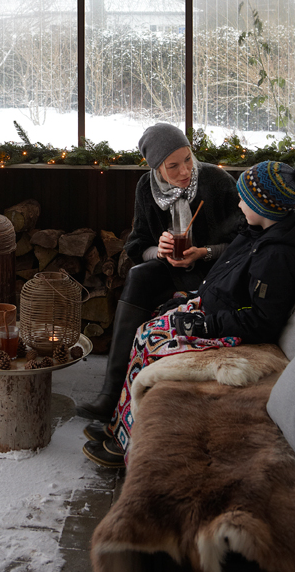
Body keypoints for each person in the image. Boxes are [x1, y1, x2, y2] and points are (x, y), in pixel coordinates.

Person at [83, 160, 295, 469]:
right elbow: (224, 279)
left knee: (152, 341)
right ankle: (124, 426)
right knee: (146, 331)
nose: (238, 203)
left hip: (231, 330)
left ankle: (130, 445)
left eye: (244, 198)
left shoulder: (278, 255)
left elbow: (261, 321)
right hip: (212, 310)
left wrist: (203, 323)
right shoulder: (255, 232)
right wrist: (192, 298)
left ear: (262, 205)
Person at [76, 122, 242, 428]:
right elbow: (137, 244)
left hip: (213, 269)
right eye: (173, 166)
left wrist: (203, 251)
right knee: (139, 275)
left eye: (188, 159)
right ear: (156, 168)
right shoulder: (146, 188)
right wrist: (160, 251)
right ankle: (109, 395)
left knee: (163, 276)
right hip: (171, 269)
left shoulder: (216, 181)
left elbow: (243, 242)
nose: (184, 171)